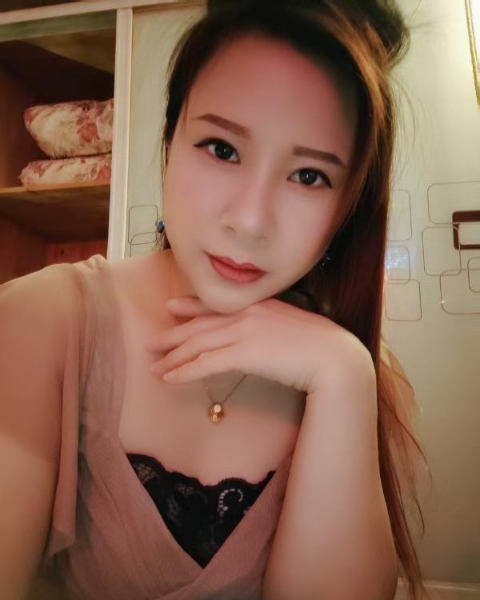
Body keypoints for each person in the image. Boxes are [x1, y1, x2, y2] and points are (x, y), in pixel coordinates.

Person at [0, 1, 429, 599]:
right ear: (169, 140)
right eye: (222, 149)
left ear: (347, 207)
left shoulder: (358, 373)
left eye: (309, 176)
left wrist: (344, 375)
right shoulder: (44, 320)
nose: (250, 221)